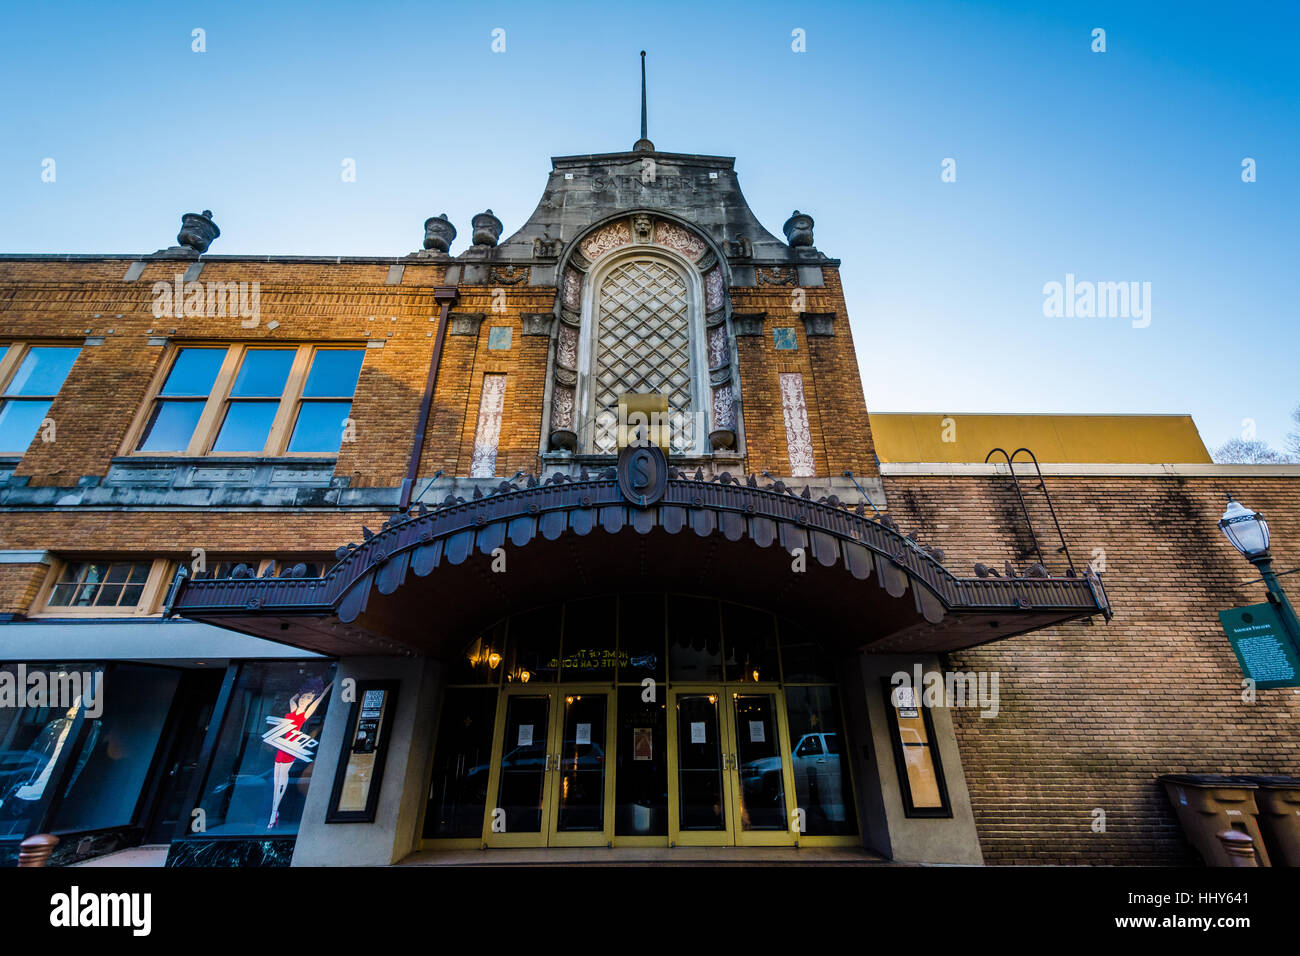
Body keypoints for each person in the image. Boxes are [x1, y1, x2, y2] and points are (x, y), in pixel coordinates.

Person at [267, 680, 332, 829]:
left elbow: (320, 699)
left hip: (290, 747)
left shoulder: (305, 713)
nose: (305, 700)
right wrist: (301, 690)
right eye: (304, 697)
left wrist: (329, 685)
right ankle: (274, 811)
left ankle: (274, 813)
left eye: (309, 699)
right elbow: (291, 699)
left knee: (282, 778)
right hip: (281, 745)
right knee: (277, 779)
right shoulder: (294, 707)